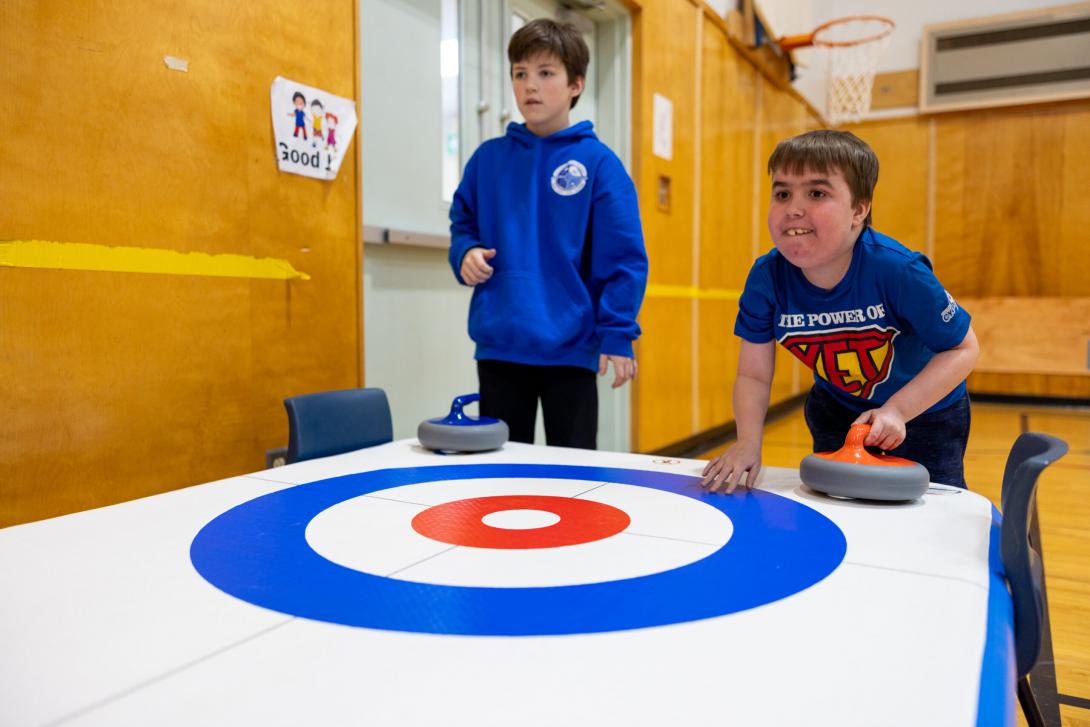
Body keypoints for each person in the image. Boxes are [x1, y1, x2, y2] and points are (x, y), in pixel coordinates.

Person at [702, 130, 978, 492]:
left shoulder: (899, 271)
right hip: (836, 410)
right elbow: (753, 375)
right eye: (782, 193)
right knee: (840, 508)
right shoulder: (765, 278)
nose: (793, 208)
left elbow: (964, 349)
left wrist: (897, 410)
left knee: (929, 513)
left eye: (816, 193)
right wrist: (747, 443)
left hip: (926, 412)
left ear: (859, 210)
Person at [448, 18, 648, 450]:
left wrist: (618, 333)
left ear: (576, 84)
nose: (529, 87)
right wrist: (464, 252)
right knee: (499, 469)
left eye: (545, 73)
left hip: (571, 349)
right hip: (500, 345)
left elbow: (624, 258)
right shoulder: (488, 160)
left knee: (570, 473)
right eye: (520, 74)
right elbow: (462, 223)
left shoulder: (599, 164)